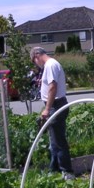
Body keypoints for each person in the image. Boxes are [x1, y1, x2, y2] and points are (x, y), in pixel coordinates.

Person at [30, 46, 73, 177]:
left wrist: (47, 108)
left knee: (58, 141)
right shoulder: (50, 65)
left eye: (34, 61)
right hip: (55, 105)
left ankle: (67, 171)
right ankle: (54, 170)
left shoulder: (50, 65)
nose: (36, 64)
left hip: (56, 105)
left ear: (37, 56)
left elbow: (53, 87)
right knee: (53, 141)